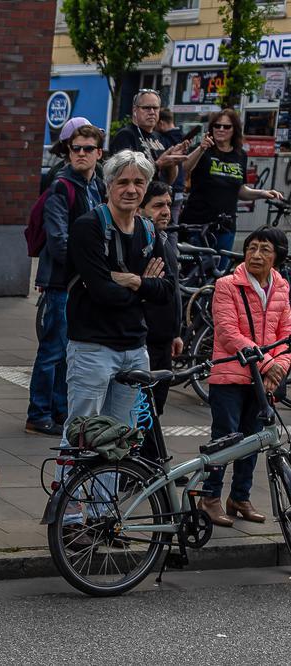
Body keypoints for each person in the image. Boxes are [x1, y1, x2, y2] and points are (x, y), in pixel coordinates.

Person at [58, 150, 172, 534]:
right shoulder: (89, 226)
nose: (131, 189)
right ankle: (70, 512)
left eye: (138, 182)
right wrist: (142, 284)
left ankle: (105, 513)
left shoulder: (149, 231)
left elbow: (166, 290)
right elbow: (101, 292)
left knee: (120, 435)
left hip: (133, 347)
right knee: (82, 429)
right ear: (108, 186)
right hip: (92, 345)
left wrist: (133, 281)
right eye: (123, 182)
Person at [198, 227, 291, 526]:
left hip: (264, 379)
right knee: (224, 440)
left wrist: (280, 368)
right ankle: (209, 498)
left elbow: (286, 335)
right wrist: (267, 364)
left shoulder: (281, 287)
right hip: (230, 375)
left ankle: (240, 497)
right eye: (252, 248)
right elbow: (227, 332)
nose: (256, 255)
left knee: (254, 440)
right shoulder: (227, 285)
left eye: (265, 249)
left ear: (277, 256)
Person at [27, 123, 106, 437]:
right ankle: (38, 412)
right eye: (77, 149)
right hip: (62, 282)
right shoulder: (62, 185)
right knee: (53, 350)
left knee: (69, 350)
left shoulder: (96, 186)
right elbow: (59, 241)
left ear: (99, 153)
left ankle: (59, 410)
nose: (82, 154)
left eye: (88, 149)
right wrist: (90, 267)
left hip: (80, 281)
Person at [181, 108, 284, 266]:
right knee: (193, 273)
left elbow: (240, 190)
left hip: (226, 226)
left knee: (221, 274)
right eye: (217, 126)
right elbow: (184, 169)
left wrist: (263, 193)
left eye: (226, 126)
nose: (221, 129)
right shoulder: (204, 150)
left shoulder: (240, 155)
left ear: (234, 130)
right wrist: (201, 149)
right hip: (198, 224)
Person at [140, 180, 183, 416]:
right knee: (143, 409)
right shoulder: (142, 242)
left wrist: (175, 332)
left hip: (163, 341)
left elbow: (173, 292)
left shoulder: (165, 241)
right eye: (157, 205)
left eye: (168, 204)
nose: (166, 211)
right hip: (145, 340)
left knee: (157, 407)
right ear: (140, 209)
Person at [109, 90, 186, 184]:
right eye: (146, 108)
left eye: (155, 108)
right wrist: (159, 164)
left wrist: (173, 163)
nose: (152, 112)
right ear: (135, 110)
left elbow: (169, 181)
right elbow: (125, 174)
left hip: (161, 195)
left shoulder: (159, 137)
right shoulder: (126, 135)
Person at [38, 116, 92, 195]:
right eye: (78, 147)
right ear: (68, 146)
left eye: (89, 147)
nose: (83, 153)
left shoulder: (98, 171)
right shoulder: (56, 176)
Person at [155, 108, 186, 224]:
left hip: (168, 187)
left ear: (161, 123)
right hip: (179, 188)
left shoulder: (162, 139)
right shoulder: (182, 138)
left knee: (166, 227)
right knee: (172, 226)